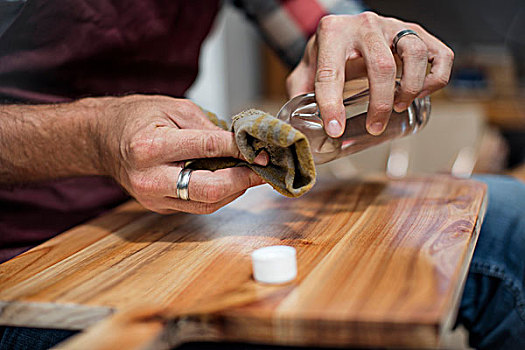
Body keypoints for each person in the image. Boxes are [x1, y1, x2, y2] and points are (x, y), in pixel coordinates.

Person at [0, 1, 523, 349]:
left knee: (509, 222)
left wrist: (366, 36)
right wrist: (93, 135)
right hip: (25, 254)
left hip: (172, 215)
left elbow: (318, 26)